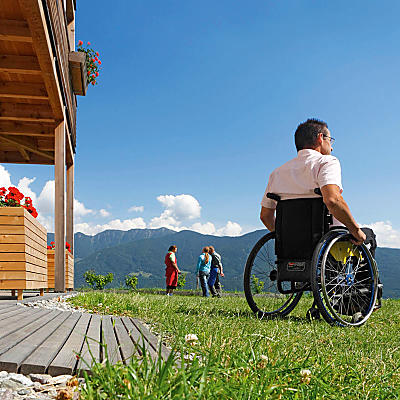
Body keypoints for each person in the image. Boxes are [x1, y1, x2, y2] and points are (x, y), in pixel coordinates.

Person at [260, 118, 382, 307]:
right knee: (368, 236)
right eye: (330, 140)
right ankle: (365, 300)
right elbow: (332, 200)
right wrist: (356, 230)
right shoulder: (326, 162)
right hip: (327, 238)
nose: (331, 147)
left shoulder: (277, 173)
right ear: (320, 138)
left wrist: (286, 236)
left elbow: (265, 216)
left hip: (291, 245)